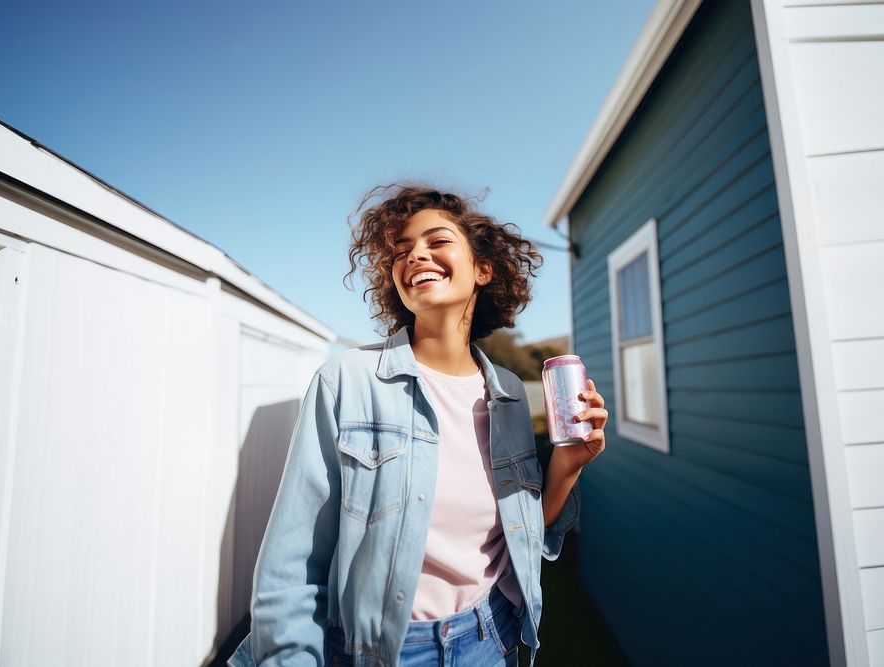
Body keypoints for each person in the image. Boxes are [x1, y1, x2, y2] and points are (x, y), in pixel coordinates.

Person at [228, 184, 607, 667]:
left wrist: (568, 464)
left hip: (492, 639)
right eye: (401, 251)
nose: (415, 256)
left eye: (437, 241)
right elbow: (292, 565)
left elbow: (525, 530)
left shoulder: (509, 393)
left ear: (483, 269)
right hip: (380, 653)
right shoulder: (347, 379)